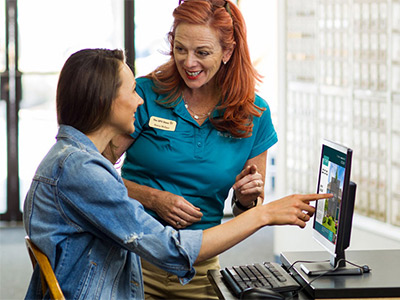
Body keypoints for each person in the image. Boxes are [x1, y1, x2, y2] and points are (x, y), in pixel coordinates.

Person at [23, 48, 331, 300]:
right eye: (132, 91)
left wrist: (249, 204)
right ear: (105, 101)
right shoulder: (81, 170)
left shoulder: (72, 162)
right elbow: (172, 250)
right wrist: (264, 216)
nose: (140, 100)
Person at [104, 0, 320, 299]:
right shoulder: (144, 94)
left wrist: (245, 199)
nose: (189, 62)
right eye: (180, 49)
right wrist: (154, 198)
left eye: (202, 53)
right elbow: (95, 177)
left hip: (199, 267)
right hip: (131, 260)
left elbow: (249, 209)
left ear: (227, 52)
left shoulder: (254, 114)